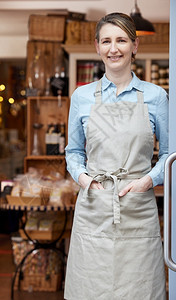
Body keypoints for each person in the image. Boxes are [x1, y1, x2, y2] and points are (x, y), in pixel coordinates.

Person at [64, 12, 168, 300]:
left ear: (135, 46)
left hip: (137, 206)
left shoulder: (156, 96)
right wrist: (85, 180)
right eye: (107, 41)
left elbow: (171, 155)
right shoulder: (81, 97)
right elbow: (73, 152)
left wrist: (147, 181)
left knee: (140, 290)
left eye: (121, 40)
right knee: (90, 289)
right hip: (94, 205)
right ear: (97, 46)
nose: (114, 48)